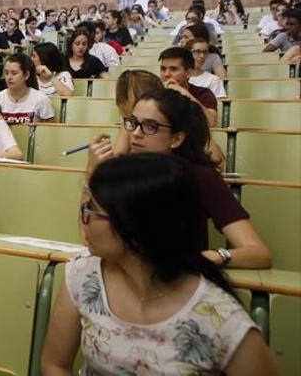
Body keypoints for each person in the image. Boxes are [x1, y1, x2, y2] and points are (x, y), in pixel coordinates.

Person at [43, 153, 280, 375]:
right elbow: (54, 364)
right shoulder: (84, 275)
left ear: (131, 226)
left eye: (92, 210)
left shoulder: (220, 319)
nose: (84, 220)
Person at [89, 87, 270, 268]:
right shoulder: (122, 171)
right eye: (133, 123)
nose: (136, 133)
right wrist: (92, 172)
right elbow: (90, 240)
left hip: (180, 282)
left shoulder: (201, 177)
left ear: (176, 138)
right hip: (123, 278)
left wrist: (210, 258)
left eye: (150, 126)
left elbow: (259, 253)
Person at [159, 47, 218, 127]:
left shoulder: (203, 93)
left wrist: (181, 90)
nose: (166, 74)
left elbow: (210, 122)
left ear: (189, 72)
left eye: (173, 69)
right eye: (163, 69)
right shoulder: (155, 93)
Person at [0, 53, 55, 124]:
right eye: (6, 73)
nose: (9, 77)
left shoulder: (41, 99)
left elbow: (48, 131)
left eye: (14, 73)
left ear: (26, 75)